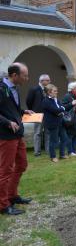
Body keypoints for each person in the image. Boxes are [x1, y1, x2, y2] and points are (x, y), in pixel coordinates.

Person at [0, 63, 34, 215]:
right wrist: (7, 122)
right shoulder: (1, 88)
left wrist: (22, 111)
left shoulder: (15, 88)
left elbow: (10, 109)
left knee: (22, 164)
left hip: (17, 134)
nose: (26, 78)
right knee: (5, 169)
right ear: (14, 75)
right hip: (6, 135)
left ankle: (12, 196)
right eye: (24, 75)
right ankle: (3, 205)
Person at [42, 84, 71, 162]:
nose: (56, 92)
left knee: (64, 138)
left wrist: (61, 109)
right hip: (52, 123)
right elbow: (56, 110)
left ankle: (62, 154)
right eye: (54, 91)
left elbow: (61, 109)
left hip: (60, 122)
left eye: (56, 91)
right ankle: (53, 156)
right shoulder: (46, 101)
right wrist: (60, 109)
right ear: (49, 92)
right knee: (54, 141)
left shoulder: (56, 100)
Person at [26, 74, 51, 156]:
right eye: (47, 80)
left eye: (49, 80)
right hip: (37, 114)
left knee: (48, 132)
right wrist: (33, 110)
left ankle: (48, 150)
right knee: (37, 133)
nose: (49, 81)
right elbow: (28, 101)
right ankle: (37, 152)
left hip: (47, 114)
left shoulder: (49, 90)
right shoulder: (34, 89)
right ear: (41, 81)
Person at [61, 82, 76, 156]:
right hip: (71, 117)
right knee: (70, 134)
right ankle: (70, 151)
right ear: (72, 88)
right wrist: (72, 103)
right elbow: (63, 107)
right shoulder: (67, 96)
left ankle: (74, 150)